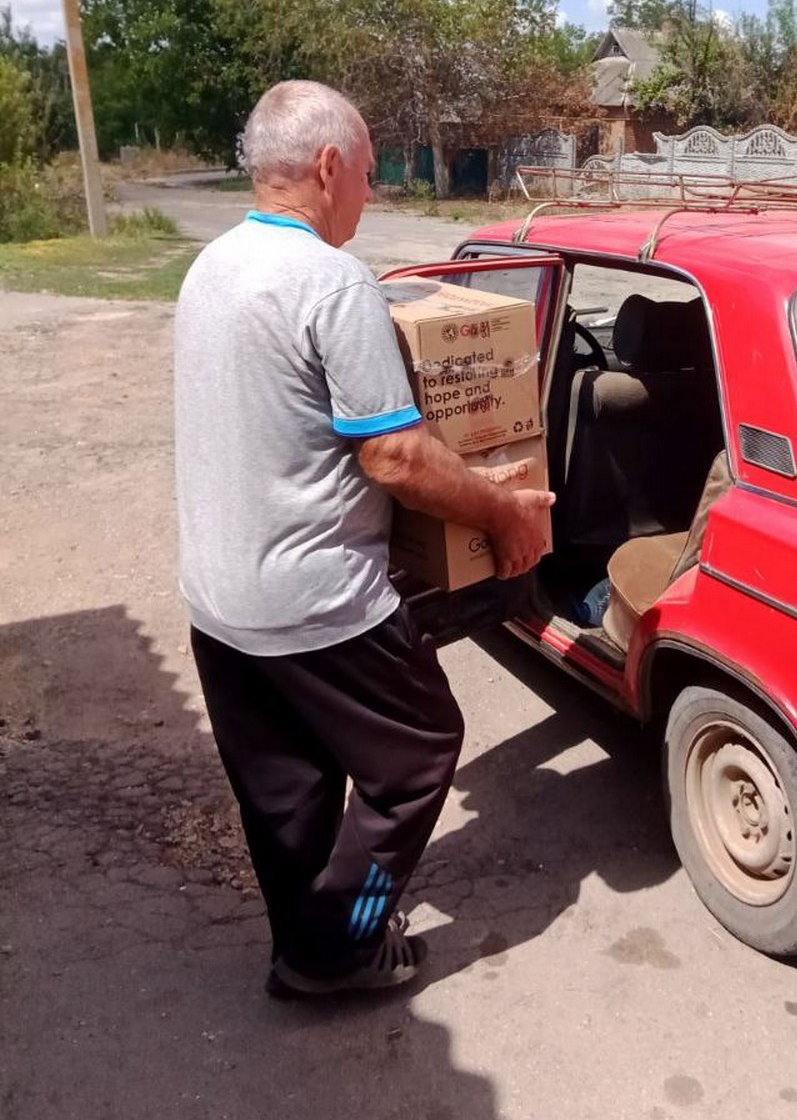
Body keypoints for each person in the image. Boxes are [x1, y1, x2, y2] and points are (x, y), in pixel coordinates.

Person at [174, 80, 553, 999]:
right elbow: (393, 455)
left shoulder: (213, 264)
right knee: (417, 757)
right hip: (317, 602)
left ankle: (302, 946)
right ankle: (341, 947)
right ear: (329, 165)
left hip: (219, 602)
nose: (370, 198)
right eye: (371, 176)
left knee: (288, 791)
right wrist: (507, 515)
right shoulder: (329, 280)